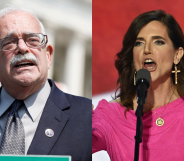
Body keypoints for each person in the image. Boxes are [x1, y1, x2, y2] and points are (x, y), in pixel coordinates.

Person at [0, 5, 92, 161]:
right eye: (9, 42)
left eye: (33, 40)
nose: (22, 48)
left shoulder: (89, 118)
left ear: (48, 56)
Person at [92, 10, 184, 161]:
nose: (147, 50)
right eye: (139, 43)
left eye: (158, 42)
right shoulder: (111, 115)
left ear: (177, 55)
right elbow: (69, 147)